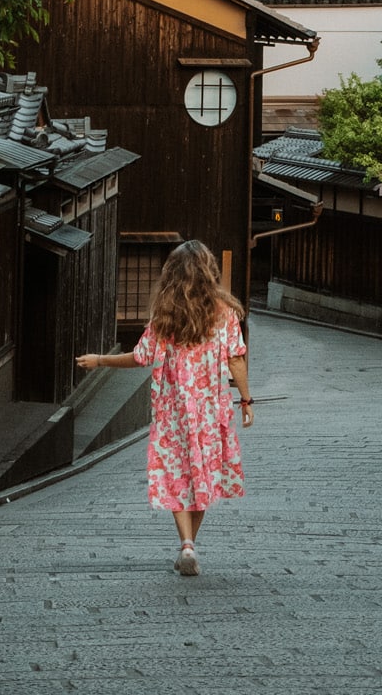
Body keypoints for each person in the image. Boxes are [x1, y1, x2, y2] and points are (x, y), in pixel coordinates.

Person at [77, 239, 253, 576]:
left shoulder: (166, 315)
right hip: (211, 412)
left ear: (172, 273)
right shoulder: (225, 313)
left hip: (173, 414)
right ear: (209, 271)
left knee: (177, 476)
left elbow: (140, 357)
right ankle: (190, 545)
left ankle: (185, 543)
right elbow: (236, 360)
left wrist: (100, 360)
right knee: (203, 477)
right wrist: (246, 400)